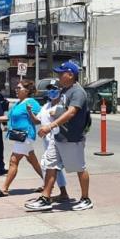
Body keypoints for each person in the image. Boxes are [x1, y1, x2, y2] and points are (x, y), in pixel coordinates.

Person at [25, 61, 92, 212]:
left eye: (61, 73)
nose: (59, 76)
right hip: (58, 136)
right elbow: (61, 108)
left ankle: (85, 199)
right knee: (50, 165)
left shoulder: (78, 92)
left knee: (79, 168)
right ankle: (45, 198)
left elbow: (72, 112)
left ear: (71, 75)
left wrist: (50, 126)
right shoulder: (64, 90)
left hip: (72, 138)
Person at [0, 80, 44, 197]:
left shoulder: (31, 102)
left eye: (19, 88)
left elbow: (41, 116)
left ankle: (4, 189)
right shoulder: (17, 104)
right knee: (33, 161)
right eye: (16, 88)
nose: (16, 89)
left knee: (13, 161)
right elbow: (7, 117)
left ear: (26, 91)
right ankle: (48, 181)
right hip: (19, 136)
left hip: (25, 136)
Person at [34, 82, 69, 202]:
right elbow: (37, 120)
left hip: (57, 140)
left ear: (60, 90)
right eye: (49, 89)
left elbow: (62, 118)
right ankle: (61, 192)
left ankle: (47, 192)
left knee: (48, 165)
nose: (51, 91)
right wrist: (28, 112)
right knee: (54, 167)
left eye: (54, 89)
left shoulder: (61, 106)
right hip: (47, 141)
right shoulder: (46, 106)